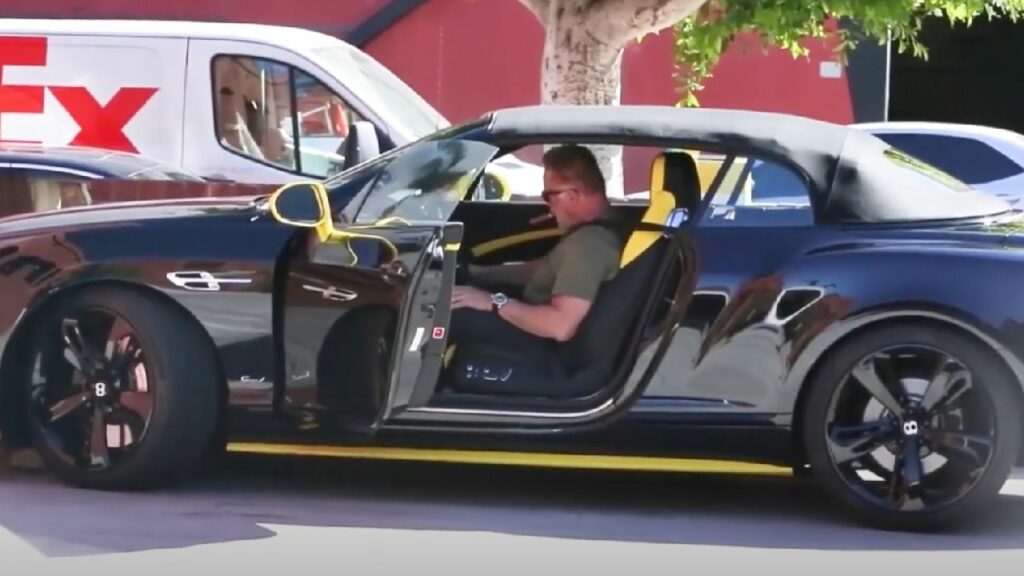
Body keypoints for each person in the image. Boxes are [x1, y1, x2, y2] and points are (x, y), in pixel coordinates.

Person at [443, 144, 625, 391]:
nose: (547, 207)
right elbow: (544, 271)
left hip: (546, 345)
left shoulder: (588, 246)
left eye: (548, 195)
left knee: (447, 314)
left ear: (572, 195)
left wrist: (493, 301)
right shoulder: (600, 230)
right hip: (537, 321)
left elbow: (560, 326)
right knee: (458, 301)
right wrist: (478, 274)